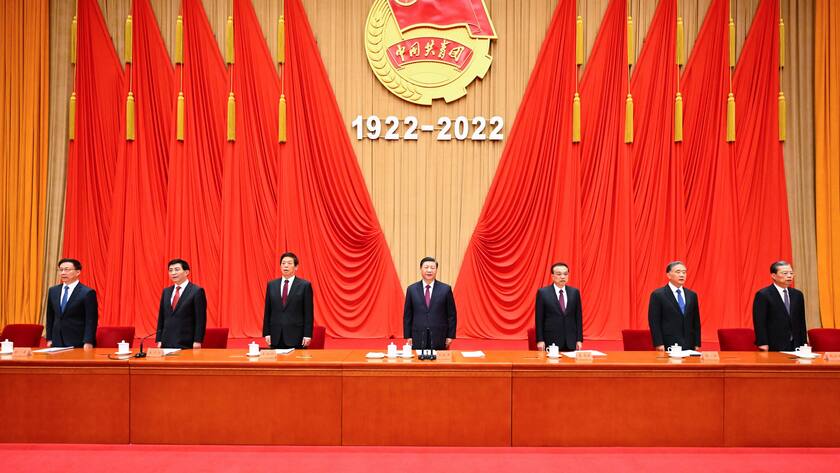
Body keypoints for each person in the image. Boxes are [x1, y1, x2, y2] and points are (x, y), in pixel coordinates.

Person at [403, 256, 457, 350]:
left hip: (440, 335)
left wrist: (450, 335)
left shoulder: (446, 289)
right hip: (418, 335)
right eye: (426, 267)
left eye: (432, 268)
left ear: (436, 270)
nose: (429, 270)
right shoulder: (411, 289)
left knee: (439, 363)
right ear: (421, 269)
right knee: (418, 362)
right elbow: (408, 315)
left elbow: (452, 315)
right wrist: (408, 336)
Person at [753, 260, 807, 351]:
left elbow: (801, 321)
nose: (789, 276)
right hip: (774, 343)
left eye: (791, 273)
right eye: (785, 273)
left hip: (796, 344)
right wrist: (762, 343)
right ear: (773, 276)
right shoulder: (763, 294)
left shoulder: (797, 295)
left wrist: (804, 343)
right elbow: (759, 322)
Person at [263, 252, 313, 349]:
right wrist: (267, 333)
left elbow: (308, 313)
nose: (286, 265)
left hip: (296, 336)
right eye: (283, 263)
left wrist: (307, 335)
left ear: (296, 267)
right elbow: (267, 311)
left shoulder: (304, 286)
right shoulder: (271, 285)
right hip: (276, 335)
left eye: (289, 263)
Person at [648, 261, 701, 351]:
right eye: (678, 272)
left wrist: (697, 343)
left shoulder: (692, 295)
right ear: (669, 275)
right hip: (668, 343)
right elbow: (654, 322)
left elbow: (696, 321)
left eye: (684, 272)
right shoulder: (658, 294)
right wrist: (659, 343)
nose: (682, 275)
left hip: (689, 344)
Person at [45, 258, 98, 348]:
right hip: (56, 342)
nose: (63, 273)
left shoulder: (87, 292)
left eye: (67, 269)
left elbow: (91, 320)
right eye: (61, 270)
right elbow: (50, 317)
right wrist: (49, 338)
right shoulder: (53, 291)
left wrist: (88, 341)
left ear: (78, 272)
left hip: (78, 342)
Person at [155, 259, 207, 349]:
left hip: (187, 342)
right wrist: (159, 339)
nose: (173, 273)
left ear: (186, 272)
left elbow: (200, 319)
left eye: (177, 269)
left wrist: (197, 341)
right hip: (166, 342)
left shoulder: (196, 291)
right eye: (170, 270)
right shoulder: (166, 291)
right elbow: (161, 317)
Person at [534, 262, 583, 351]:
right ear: (552, 276)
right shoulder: (543, 293)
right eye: (559, 274)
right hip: (551, 340)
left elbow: (578, 318)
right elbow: (539, 319)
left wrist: (579, 339)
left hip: (571, 341)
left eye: (565, 274)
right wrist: (540, 340)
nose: (563, 277)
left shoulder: (574, 292)